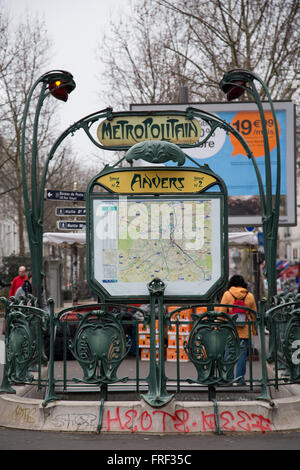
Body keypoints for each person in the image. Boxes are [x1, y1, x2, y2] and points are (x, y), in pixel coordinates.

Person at [218, 274, 257, 384]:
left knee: (229, 354)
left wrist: (219, 325)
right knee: (242, 356)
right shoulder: (250, 296)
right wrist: (253, 330)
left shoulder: (227, 294)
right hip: (244, 331)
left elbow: (222, 312)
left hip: (230, 330)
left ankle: (229, 378)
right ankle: (240, 379)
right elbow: (254, 315)